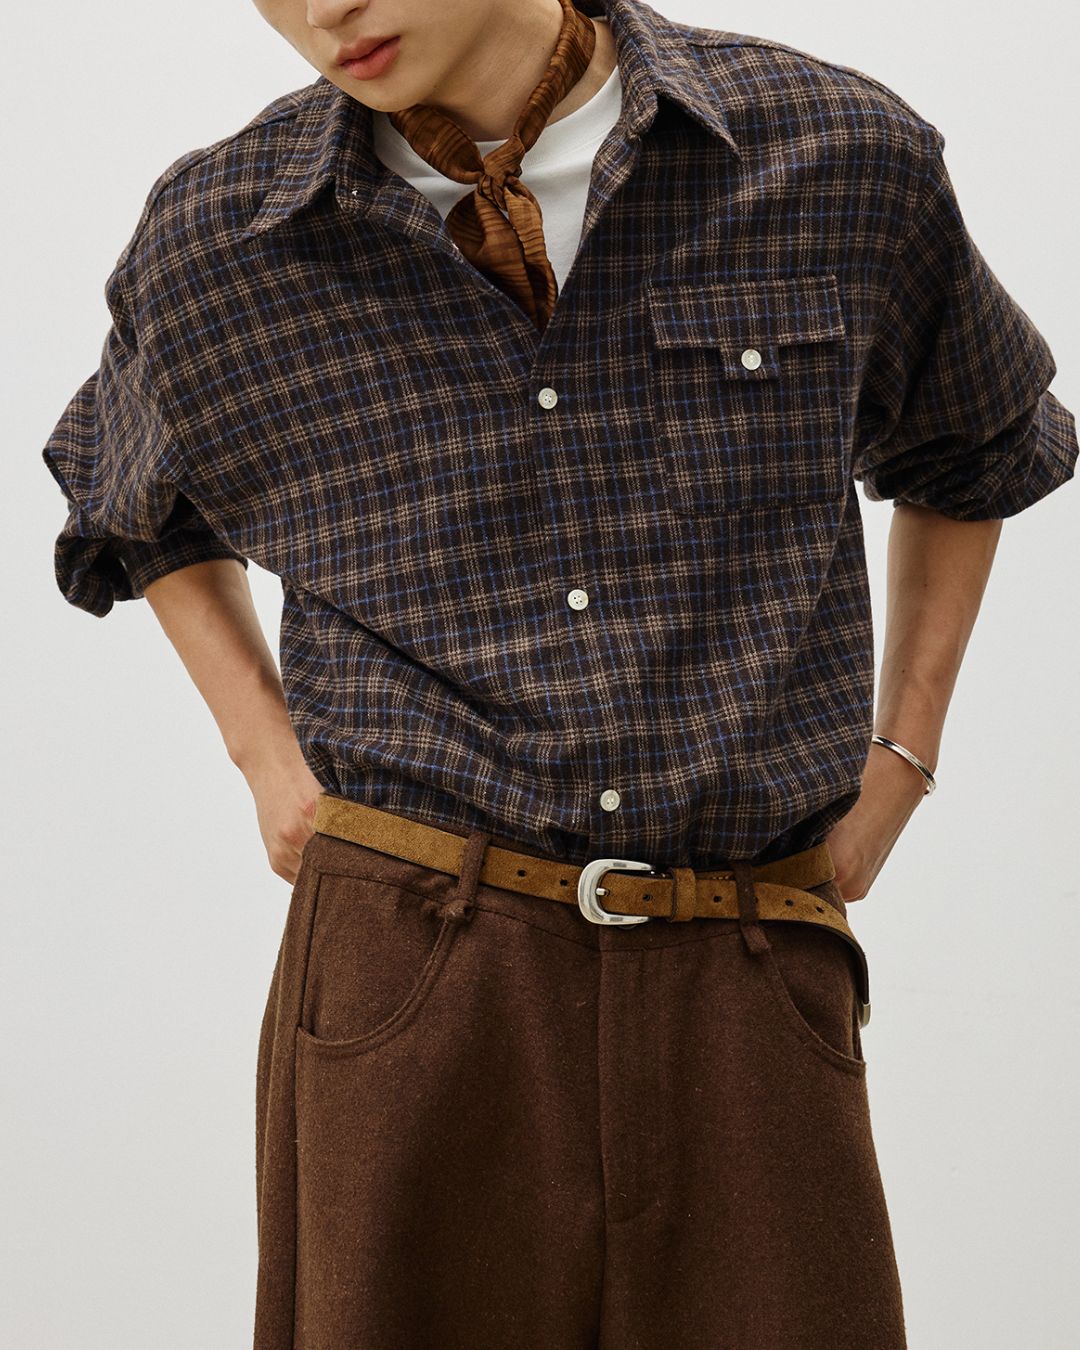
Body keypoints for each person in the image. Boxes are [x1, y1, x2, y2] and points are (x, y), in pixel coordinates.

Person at [40, 1, 1077, 1346]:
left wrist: (903, 759)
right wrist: (265, 756)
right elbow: (123, 498)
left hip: (748, 957)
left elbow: (975, 439)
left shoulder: (834, 153)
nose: (322, 9)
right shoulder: (224, 236)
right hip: (410, 978)